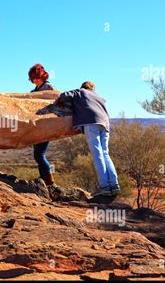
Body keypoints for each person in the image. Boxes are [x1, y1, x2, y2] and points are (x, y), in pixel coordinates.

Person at [55, 81, 120, 201]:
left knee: (97, 154)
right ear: (93, 88)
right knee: (105, 153)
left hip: (92, 123)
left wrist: (60, 101)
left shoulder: (79, 92)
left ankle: (105, 186)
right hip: (105, 124)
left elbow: (64, 95)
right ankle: (114, 184)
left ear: (83, 87)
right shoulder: (99, 96)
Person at [28, 63, 63, 197]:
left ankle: (50, 182)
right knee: (37, 154)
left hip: (46, 126)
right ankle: (44, 180)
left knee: (40, 154)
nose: (35, 80)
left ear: (43, 76)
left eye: (37, 77)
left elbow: (56, 101)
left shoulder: (48, 87)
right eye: (33, 78)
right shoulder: (33, 91)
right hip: (37, 127)